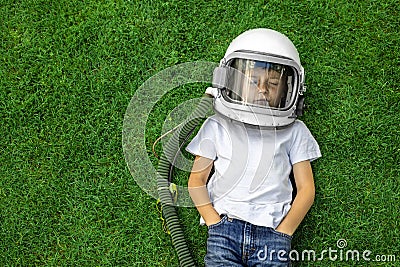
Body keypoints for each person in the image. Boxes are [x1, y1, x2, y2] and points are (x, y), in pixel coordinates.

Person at [186, 28, 321, 266]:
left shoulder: (295, 131)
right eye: (251, 81)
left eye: (272, 82)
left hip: (274, 234)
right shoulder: (216, 126)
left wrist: (285, 232)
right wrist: (213, 222)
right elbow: (196, 180)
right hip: (223, 231)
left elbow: (306, 188)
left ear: (289, 89)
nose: (261, 88)